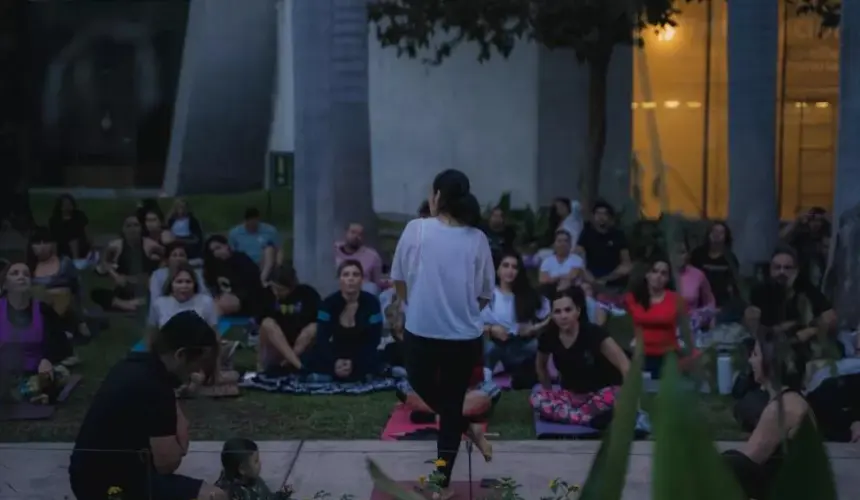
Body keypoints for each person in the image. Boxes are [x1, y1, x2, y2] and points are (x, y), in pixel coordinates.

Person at [390, 168, 494, 496]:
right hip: (431, 332)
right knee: (442, 402)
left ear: (437, 196)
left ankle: (440, 484)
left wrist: (424, 307)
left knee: (446, 407)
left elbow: (399, 281)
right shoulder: (418, 230)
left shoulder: (475, 238)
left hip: (456, 336)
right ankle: (467, 428)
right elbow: (483, 294)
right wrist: (424, 309)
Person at [68, 311, 227, 500]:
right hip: (109, 486)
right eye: (198, 364)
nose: (198, 372)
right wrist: (181, 438)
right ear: (181, 355)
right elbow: (168, 463)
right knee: (214, 496)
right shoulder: (156, 387)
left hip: (86, 476)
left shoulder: (134, 364)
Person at [722, 333, 809, 500]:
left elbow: (747, 460)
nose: (750, 361)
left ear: (769, 362)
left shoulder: (780, 409)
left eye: (755, 355)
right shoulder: (792, 398)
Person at [531, 287, 629, 426]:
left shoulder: (594, 333)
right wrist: (549, 392)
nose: (563, 316)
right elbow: (541, 365)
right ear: (552, 315)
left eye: (568, 310)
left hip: (601, 393)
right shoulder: (548, 337)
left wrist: (627, 397)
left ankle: (575, 416)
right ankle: (589, 419)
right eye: (557, 312)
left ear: (578, 311)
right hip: (572, 396)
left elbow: (625, 365)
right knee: (536, 398)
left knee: (615, 396)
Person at [745, 247, 838, 359]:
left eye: (787, 268)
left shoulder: (806, 289)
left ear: (796, 270)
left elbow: (831, 316)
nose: (782, 272)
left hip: (801, 345)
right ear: (770, 269)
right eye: (777, 267)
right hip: (769, 344)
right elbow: (751, 320)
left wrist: (813, 330)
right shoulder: (760, 291)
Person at [0, 262, 73, 403]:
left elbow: (61, 343)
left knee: (61, 374)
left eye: (26, 274)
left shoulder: (43, 310)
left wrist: (47, 359)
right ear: (5, 284)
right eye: (15, 274)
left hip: (35, 373)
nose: (21, 277)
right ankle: (27, 395)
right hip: (4, 373)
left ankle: (26, 394)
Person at [307, 260, 383, 379]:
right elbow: (322, 338)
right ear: (340, 279)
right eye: (346, 275)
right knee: (311, 356)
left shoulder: (372, 303)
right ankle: (343, 373)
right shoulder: (328, 303)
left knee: (378, 357)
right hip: (336, 351)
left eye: (355, 275)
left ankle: (337, 375)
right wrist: (335, 361)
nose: (351, 279)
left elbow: (374, 338)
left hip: (360, 352)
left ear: (362, 280)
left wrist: (354, 362)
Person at [482, 251, 550, 374]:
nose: (510, 271)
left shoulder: (528, 294)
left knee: (538, 345)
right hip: (496, 344)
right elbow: (473, 323)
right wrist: (491, 329)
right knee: (489, 348)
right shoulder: (488, 295)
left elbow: (548, 316)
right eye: (506, 266)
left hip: (521, 345)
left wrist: (534, 328)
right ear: (497, 269)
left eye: (514, 267)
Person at [624, 256, 687, 379]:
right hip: (641, 355)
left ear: (668, 279)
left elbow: (684, 329)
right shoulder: (633, 298)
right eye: (655, 271)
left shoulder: (676, 300)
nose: (658, 276)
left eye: (663, 274)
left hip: (668, 355)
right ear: (647, 274)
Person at [28, 226, 90, 342]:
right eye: (37, 243)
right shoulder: (28, 267)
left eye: (45, 242)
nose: (42, 247)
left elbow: (77, 290)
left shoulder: (64, 263)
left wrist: (81, 320)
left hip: (63, 309)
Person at [256, 265, 321, 372]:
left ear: (292, 287)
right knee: (268, 323)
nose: (276, 292)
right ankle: (299, 367)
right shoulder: (265, 295)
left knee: (314, 327)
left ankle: (288, 362)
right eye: (273, 288)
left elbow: (322, 317)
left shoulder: (308, 294)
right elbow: (261, 324)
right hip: (274, 347)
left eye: (280, 290)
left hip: (299, 347)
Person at [91, 215, 157, 312]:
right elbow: (104, 262)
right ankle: (125, 304)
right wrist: (115, 275)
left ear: (141, 228)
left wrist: (153, 278)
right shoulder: (115, 246)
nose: (132, 229)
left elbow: (165, 259)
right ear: (123, 229)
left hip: (143, 285)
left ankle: (127, 304)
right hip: (124, 286)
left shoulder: (150, 245)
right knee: (95, 293)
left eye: (136, 225)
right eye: (128, 226)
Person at [203, 235, 267, 317]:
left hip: (246, 300)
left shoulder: (242, 260)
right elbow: (212, 285)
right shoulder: (212, 265)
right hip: (224, 299)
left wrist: (236, 296)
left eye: (218, 248)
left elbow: (252, 285)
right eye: (213, 251)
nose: (217, 252)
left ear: (226, 246)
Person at [575, 200, 632, 290]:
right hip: (590, 280)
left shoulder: (618, 235)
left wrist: (606, 279)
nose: (601, 217)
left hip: (613, 280)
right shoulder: (586, 234)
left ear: (610, 217)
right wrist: (590, 278)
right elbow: (578, 259)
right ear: (593, 216)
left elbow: (626, 264)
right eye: (598, 213)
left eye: (604, 214)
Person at [215, 438, 291, 500]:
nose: (260, 463)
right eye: (256, 461)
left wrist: (281, 495)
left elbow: (267, 497)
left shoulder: (252, 480)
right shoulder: (231, 494)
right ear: (242, 469)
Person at [690, 221, 740, 308]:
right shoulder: (697, 254)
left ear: (726, 237)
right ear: (709, 234)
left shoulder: (730, 258)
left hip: (721, 305)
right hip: (698, 302)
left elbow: (734, 285)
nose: (717, 234)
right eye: (714, 231)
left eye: (721, 232)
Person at [780, 207, 831, 287]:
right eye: (813, 220)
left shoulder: (827, 234)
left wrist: (830, 219)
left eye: (819, 221)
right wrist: (797, 221)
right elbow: (783, 238)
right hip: (802, 272)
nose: (816, 224)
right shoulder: (802, 234)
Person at [228, 208, 280, 283]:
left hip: (263, 263)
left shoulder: (270, 231)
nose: (253, 225)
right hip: (244, 264)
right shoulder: (235, 233)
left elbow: (278, 249)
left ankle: (262, 279)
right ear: (245, 221)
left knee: (269, 250)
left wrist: (279, 265)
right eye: (250, 223)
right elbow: (231, 251)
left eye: (255, 222)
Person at [333, 222, 386, 295]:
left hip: (362, 292)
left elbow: (376, 282)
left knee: (371, 287)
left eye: (360, 234)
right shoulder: (333, 250)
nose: (356, 236)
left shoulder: (372, 256)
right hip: (336, 289)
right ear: (346, 233)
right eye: (353, 232)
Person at [676, 241, 716, 331]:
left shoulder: (697, 274)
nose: (678, 256)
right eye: (675, 252)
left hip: (691, 324)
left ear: (688, 255)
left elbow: (709, 301)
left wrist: (706, 317)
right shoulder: (661, 273)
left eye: (682, 252)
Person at [48, 193, 91, 264]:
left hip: (80, 243)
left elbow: (87, 231)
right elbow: (53, 238)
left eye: (69, 204)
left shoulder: (79, 216)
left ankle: (76, 261)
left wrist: (90, 242)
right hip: (62, 245)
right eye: (65, 204)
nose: (68, 206)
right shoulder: (54, 220)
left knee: (74, 241)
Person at [538, 229, 585, 294]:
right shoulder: (547, 261)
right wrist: (560, 278)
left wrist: (553, 279)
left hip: (572, 291)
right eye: (559, 241)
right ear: (554, 244)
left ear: (570, 244)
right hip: (550, 291)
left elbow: (572, 277)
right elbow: (543, 280)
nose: (562, 244)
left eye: (565, 241)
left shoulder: (577, 259)